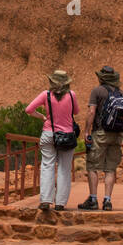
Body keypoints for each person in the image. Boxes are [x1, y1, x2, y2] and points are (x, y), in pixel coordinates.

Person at [25, 69, 79, 211]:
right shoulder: (72, 95)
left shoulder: (46, 95)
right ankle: (60, 203)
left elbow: (29, 110)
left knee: (47, 166)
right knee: (64, 169)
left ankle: (46, 200)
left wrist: (42, 117)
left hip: (49, 134)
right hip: (67, 136)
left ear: (52, 82)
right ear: (66, 83)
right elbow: (76, 112)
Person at [78, 66, 123, 211]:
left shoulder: (97, 91)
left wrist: (87, 131)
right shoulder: (121, 94)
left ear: (101, 78)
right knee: (110, 169)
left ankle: (93, 199)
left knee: (93, 166)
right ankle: (107, 201)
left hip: (100, 133)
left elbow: (91, 111)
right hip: (116, 136)